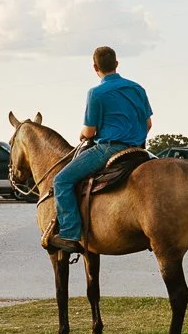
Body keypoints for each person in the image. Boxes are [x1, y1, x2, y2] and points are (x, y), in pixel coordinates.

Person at [48, 46, 152, 253]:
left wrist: (83, 135)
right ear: (117, 64)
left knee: (61, 180)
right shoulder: (137, 89)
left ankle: (69, 234)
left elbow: (89, 131)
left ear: (95, 67)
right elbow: (148, 124)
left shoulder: (96, 93)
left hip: (109, 148)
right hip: (140, 150)